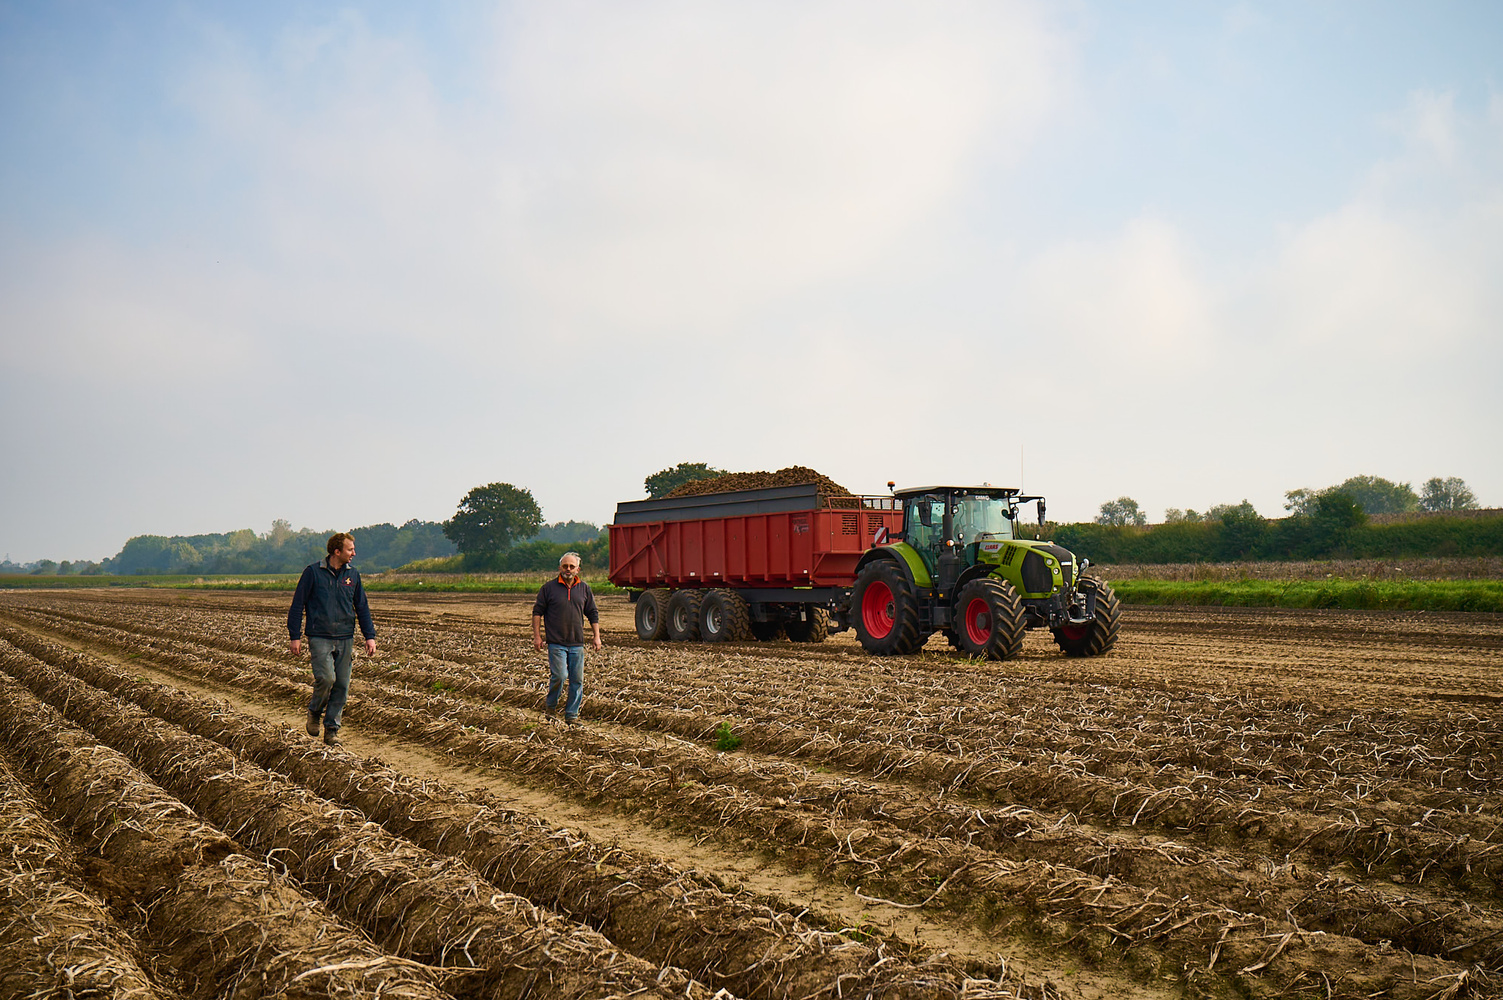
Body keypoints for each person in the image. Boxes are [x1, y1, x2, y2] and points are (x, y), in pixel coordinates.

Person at [288, 532, 376, 747]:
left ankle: (332, 730)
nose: (354, 553)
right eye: (350, 549)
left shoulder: (353, 576)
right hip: (319, 635)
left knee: (342, 685)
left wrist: (369, 636)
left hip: (345, 636)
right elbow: (298, 604)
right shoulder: (312, 573)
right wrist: (295, 636)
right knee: (327, 679)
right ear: (337, 551)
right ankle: (315, 711)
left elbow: (362, 607)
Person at [531, 551, 601, 725]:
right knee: (560, 676)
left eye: (571, 566)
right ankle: (551, 707)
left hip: (577, 643)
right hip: (556, 643)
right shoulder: (548, 588)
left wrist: (596, 636)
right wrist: (537, 637)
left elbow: (592, 613)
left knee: (577, 680)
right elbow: (537, 612)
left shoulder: (584, 589)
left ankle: (572, 716)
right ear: (559, 568)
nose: (568, 569)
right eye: (565, 566)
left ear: (578, 569)